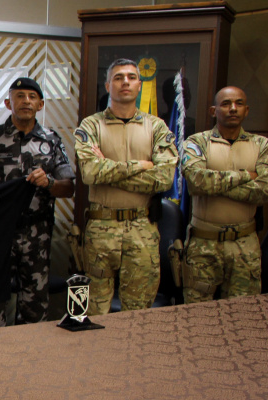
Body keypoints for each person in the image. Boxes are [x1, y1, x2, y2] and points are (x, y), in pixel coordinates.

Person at [74, 58, 178, 315]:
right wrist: (141, 165)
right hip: (101, 228)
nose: (125, 82)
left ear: (139, 85)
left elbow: (164, 178)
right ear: (108, 85)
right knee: (94, 311)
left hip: (142, 228)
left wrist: (109, 168)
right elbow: (90, 173)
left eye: (131, 77)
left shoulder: (156, 127)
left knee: (138, 313)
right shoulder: (91, 125)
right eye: (118, 77)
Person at [0, 77, 75, 327]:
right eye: (19, 96)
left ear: (40, 104)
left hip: (37, 233)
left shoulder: (51, 140)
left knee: (35, 306)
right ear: (8, 103)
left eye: (32, 97)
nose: (26, 101)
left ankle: (30, 350)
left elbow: (68, 187)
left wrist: (49, 182)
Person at [179, 86, 268, 302]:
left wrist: (216, 186)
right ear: (213, 111)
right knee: (197, 313)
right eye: (226, 104)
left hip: (244, 245)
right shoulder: (197, 142)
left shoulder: (261, 145)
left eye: (239, 103)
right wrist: (247, 176)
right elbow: (197, 182)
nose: (233, 108)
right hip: (203, 244)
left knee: (242, 313)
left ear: (247, 110)